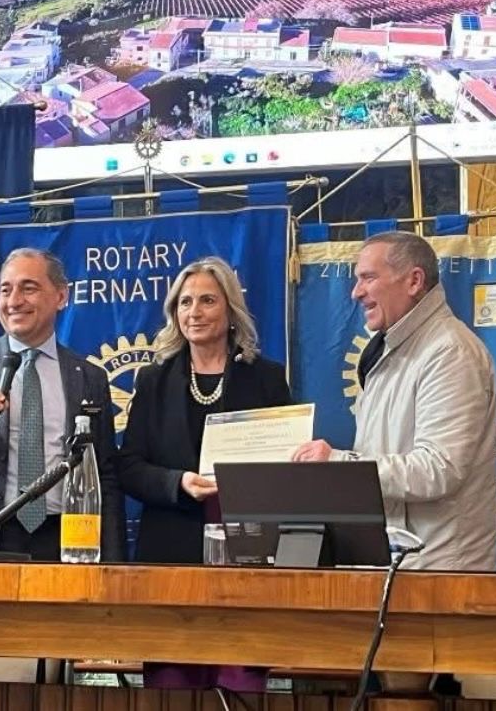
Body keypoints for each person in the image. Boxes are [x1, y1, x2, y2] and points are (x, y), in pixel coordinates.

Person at [116, 256, 290, 691]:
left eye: (207, 300)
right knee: (173, 684)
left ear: (230, 310)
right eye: (185, 302)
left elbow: (287, 467)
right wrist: (177, 482)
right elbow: (129, 467)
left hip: (247, 558)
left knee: (241, 684)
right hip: (171, 556)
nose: (194, 311)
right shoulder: (153, 381)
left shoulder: (267, 379)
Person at [293, 231, 496, 571]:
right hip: (399, 566)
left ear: (414, 281)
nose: (356, 292)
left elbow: (439, 469)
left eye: (368, 278)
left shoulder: (450, 353)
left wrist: (340, 464)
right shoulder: (390, 349)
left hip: (438, 574)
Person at [0, 248, 125, 561]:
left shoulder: (89, 377)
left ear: (61, 296)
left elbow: (105, 475)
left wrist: (112, 559)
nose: (14, 301)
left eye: (29, 288)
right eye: (5, 290)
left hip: (65, 540)